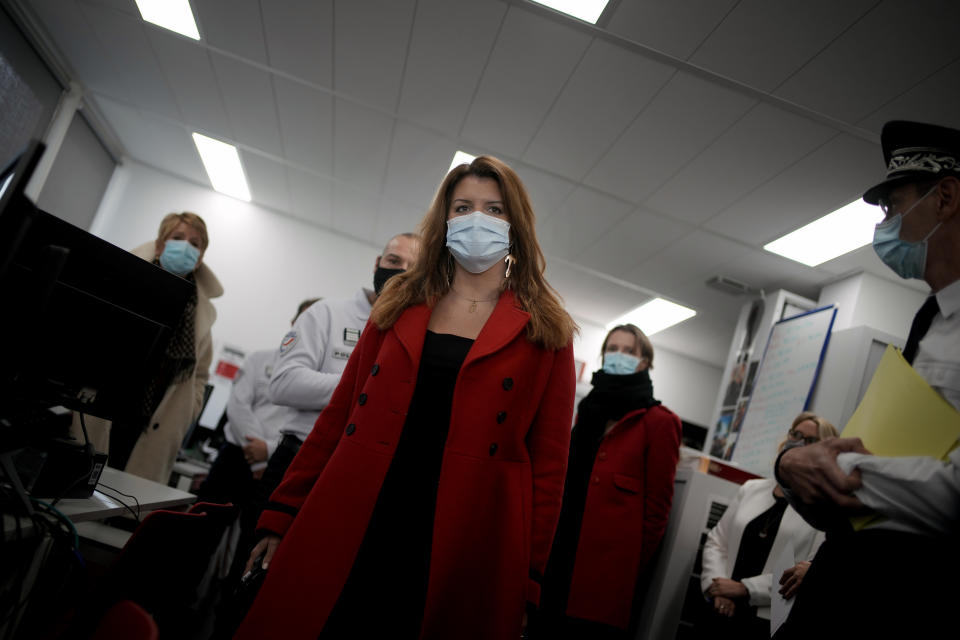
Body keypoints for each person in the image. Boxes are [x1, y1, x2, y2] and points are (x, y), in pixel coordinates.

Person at [234, 155, 577, 640]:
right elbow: (337, 417)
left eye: (494, 209)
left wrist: (530, 578)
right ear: (445, 220)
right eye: (463, 207)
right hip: (357, 508)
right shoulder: (397, 306)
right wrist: (282, 512)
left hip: (463, 532)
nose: (477, 219)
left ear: (515, 224)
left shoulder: (547, 332)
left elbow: (548, 469)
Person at [773, 121, 960, 638]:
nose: (887, 223)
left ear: (944, 197)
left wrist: (821, 467)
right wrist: (799, 469)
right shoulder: (932, 317)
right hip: (849, 579)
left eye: (894, 205)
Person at [530, 324, 681, 639]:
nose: (618, 356)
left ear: (644, 362)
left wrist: (625, 569)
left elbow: (656, 512)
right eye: (612, 349)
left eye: (628, 351)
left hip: (605, 573)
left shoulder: (659, 422)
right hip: (557, 555)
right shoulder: (588, 408)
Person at [255, 233, 419, 505]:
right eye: (394, 260)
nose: (401, 271)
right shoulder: (327, 313)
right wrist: (368, 387)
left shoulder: (416, 335)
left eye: (412, 268)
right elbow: (283, 384)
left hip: (358, 475)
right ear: (378, 263)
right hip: (297, 458)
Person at [72, 212, 222, 483]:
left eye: (195, 243)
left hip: (157, 419)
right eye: (177, 238)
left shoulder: (202, 311)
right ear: (161, 244)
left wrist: (190, 408)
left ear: (200, 257)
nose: (186, 246)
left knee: (127, 501)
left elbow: (200, 374)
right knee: (77, 487)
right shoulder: (124, 279)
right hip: (107, 402)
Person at [697, 412, 836, 640]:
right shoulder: (751, 489)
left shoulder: (822, 507)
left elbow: (806, 570)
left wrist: (745, 589)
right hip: (720, 607)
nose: (798, 442)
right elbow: (717, 541)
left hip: (766, 621)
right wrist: (719, 589)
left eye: (810, 440)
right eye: (796, 434)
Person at [196, 298, 320, 511]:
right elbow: (238, 407)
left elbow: (308, 424)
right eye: (304, 320)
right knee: (203, 525)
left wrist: (269, 450)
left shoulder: (320, 379)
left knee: (250, 537)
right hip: (235, 456)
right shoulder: (258, 360)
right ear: (293, 323)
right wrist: (258, 456)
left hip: (280, 463)